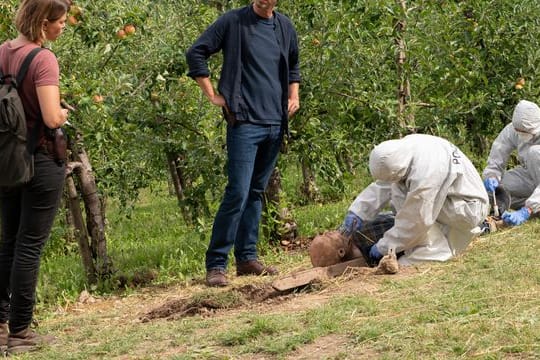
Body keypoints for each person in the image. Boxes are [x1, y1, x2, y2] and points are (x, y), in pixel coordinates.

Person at [186, 0, 301, 287]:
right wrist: (212, 94)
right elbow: (195, 53)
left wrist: (294, 95)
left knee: (255, 192)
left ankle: (247, 258)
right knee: (237, 191)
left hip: (275, 123)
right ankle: (216, 264)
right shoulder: (233, 22)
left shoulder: (284, 26)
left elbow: (293, 64)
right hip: (245, 122)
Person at [0, 0, 70, 354]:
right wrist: (62, 112)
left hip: (8, 160)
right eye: (60, 21)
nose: (64, 27)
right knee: (30, 245)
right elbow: (50, 116)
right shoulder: (44, 59)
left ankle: (0, 325)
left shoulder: (2, 52)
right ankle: (21, 332)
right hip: (41, 157)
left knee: (9, 241)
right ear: (43, 23)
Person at [341, 134, 489, 266]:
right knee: (399, 188)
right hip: (457, 199)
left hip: (469, 209)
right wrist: (358, 211)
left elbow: (416, 220)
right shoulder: (405, 149)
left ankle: (431, 252)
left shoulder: (427, 173)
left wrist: (384, 247)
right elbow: (385, 183)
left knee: (401, 193)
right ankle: (430, 245)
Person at [482, 99, 540, 226]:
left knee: (535, 152)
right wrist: (492, 175)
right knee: (500, 189)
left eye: (525, 131)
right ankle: (535, 211)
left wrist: (527, 209)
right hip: (530, 176)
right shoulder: (512, 130)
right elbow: (498, 153)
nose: (522, 134)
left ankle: (531, 209)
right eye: (519, 131)